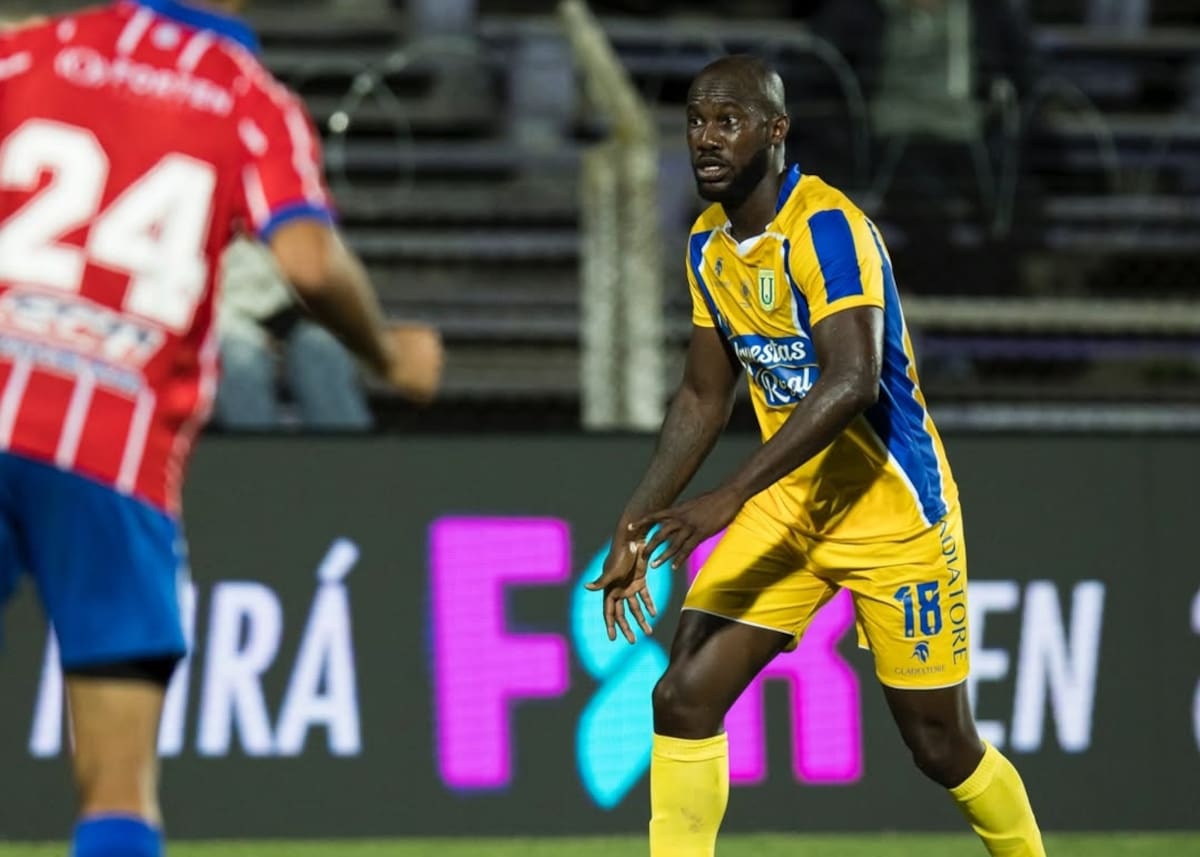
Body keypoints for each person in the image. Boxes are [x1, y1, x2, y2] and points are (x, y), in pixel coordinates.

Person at [0, 2, 442, 856]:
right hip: (110, 445)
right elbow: (309, 261)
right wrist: (386, 354)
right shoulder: (249, 99)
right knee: (118, 784)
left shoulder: (31, 52)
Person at [588, 56, 1045, 857]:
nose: (705, 137)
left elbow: (854, 378)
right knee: (683, 694)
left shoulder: (827, 227)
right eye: (697, 119)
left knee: (940, 744)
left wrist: (726, 496)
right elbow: (702, 395)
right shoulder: (708, 246)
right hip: (788, 507)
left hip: (892, 512)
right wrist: (633, 518)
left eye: (728, 120)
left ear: (776, 131)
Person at [213, 237, 375, 431]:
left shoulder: (301, 210)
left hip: (297, 314)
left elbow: (328, 272)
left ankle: (348, 457)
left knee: (320, 346)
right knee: (240, 359)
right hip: (225, 320)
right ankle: (255, 459)